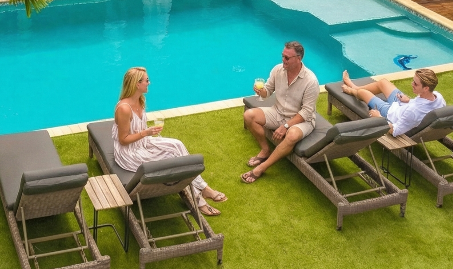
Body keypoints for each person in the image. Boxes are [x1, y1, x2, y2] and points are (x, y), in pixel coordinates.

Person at [113, 67, 226, 215]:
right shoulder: (124, 108)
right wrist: (145, 132)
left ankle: (203, 188)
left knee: (177, 145)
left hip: (143, 142)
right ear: (136, 84)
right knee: (173, 159)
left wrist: (147, 132)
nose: (149, 83)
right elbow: (123, 140)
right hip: (129, 153)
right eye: (146, 80)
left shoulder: (140, 101)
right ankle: (199, 198)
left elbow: (138, 128)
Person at [241, 41, 319, 183]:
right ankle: (265, 150)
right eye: (282, 56)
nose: (283, 60)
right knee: (249, 115)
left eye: (287, 58)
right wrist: (261, 91)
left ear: (299, 58)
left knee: (292, 135)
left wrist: (286, 126)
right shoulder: (278, 70)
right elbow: (267, 92)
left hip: (301, 120)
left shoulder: (310, 81)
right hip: (277, 112)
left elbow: (306, 112)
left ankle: (262, 167)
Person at [340, 68, 445, 137]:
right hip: (402, 105)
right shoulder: (438, 97)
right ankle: (355, 87)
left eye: (415, 84)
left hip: (390, 113)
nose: (412, 84)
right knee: (383, 82)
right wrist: (408, 100)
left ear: (426, 88)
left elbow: (395, 131)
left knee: (363, 93)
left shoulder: (413, 112)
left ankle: (351, 90)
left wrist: (379, 117)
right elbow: (421, 106)